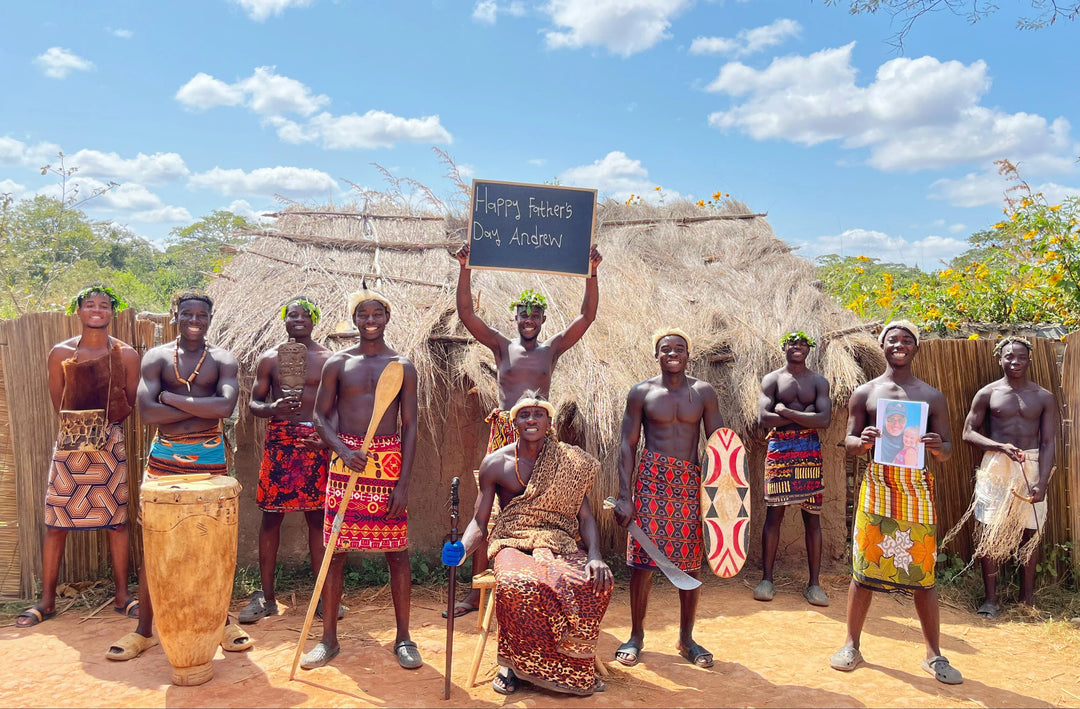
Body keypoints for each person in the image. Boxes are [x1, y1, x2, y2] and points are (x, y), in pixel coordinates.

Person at [448, 242, 602, 617]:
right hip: (505, 428)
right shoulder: (502, 347)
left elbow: (587, 316)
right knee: (486, 510)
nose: (529, 319)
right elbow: (467, 313)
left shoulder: (552, 349)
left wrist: (592, 272)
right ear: (515, 316)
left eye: (536, 313)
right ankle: (476, 589)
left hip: (539, 429)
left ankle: (542, 569)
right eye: (524, 313)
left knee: (545, 501)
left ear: (544, 319)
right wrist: (465, 268)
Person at [107, 290, 252, 661]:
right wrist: (199, 409)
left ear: (210, 317)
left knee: (216, 542)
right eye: (187, 313)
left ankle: (222, 621)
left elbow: (225, 407)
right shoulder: (156, 358)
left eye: (200, 315)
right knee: (155, 544)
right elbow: (147, 414)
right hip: (164, 460)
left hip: (211, 460)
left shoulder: (222, 359)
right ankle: (144, 631)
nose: (193, 320)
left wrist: (172, 399)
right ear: (175, 314)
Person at [443, 393, 613, 696]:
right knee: (516, 583)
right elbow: (479, 523)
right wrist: (462, 549)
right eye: (524, 415)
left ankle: (574, 667)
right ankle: (510, 668)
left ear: (548, 422)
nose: (531, 420)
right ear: (515, 421)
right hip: (513, 541)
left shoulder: (570, 462)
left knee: (593, 581)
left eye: (538, 414)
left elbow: (585, 517)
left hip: (559, 540)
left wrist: (596, 555)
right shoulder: (496, 463)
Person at [829, 320, 962, 685]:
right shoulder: (866, 393)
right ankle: (851, 645)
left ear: (916, 348)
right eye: (892, 340)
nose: (899, 345)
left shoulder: (931, 396)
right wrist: (865, 440)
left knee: (923, 572)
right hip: (878, 485)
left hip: (916, 488)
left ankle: (934, 655)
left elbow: (948, 451)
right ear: (882, 346)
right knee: (865, 568)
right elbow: (850, 442)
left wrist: (937, 445)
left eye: (906, 340)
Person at [301, 285, 420, 670]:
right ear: (354, 320)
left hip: (387, 461)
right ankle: (328, 640)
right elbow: (320, 417)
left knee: (397, 553)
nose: (370, 321)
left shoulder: (403, 365)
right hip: (345, 461)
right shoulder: (338, 363)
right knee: (335, 552)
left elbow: (411, 426)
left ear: (386, 318)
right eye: (363, 315)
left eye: (376, 315)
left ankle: (403, 639)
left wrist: (402, 482)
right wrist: (342, 450)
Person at [17, 286, 140, 628]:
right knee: (56, 522)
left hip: (109, 445)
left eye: (104, 304)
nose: (97, 310)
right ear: (78, 310)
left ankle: (121, 596)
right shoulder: (61, 353)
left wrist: (103, 431)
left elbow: (128, 401)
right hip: (70, 444)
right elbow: (58, 402)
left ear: (113, 311)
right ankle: (47, 602)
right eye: (90, 304)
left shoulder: (126, 354)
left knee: (116, 521)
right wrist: (81, 429)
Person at [613, 328, 723, 668]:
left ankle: (687, 638)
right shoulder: (642, 393)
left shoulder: (703, 393)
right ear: (656, 355)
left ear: (688, 355)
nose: (672, 353)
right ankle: (636, 635)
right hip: (651, 482)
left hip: (690, 485)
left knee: (690, 564)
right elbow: (627, 445)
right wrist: (624, 495)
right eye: (665, 349)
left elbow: (720, 444)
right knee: (643, 565)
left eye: (679, 348)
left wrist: (721, 499)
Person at [239, 297, 334, 624]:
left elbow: (337, 407)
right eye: (292, 314)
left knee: (317, 521)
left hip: (314, 444)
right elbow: (253, 404)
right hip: (280, 442)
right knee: (271, 518)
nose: (298, 319)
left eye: (305, 314)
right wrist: (273, 408)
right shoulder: (270, 359)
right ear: (284, 319)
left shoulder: (329, 360)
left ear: (314, 320)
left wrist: (327, 439)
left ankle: (325, 598)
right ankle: (266, 598)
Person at [960, 336, 1057, 617]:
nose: (1015, 362)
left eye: (1021, 357)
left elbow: (1048, 441)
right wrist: (999, 446)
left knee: (1031, 529)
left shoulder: (1043, 396)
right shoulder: (988, 393)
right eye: (1009, 357)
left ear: (1029, 360)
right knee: (990, 528)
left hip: (1032, 465)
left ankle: (1026, 600)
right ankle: (990, 600)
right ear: (999, 359)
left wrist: (1043, 481)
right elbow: (969, 432)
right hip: (996, 466)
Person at [754, 330, 831, 607]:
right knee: (774, 514)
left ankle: (814, 584)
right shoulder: (773, 379)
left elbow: (823, 421)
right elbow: (764, 418)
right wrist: (806, 415)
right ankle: (766, 579)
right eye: (792, 343)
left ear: (809, 349)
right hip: (779, 450)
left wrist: (785, 412)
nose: (797, 347)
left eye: (802, 343)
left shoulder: (819, 381)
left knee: (813, 517)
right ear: (783, 346)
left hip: (810, 450)